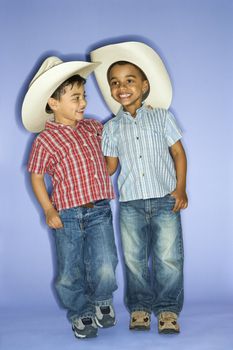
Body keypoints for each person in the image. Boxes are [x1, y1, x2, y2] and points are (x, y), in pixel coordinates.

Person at [90, 41, 188, 334]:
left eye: (129, 81)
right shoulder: (111, 128)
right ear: (110, 90)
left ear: (144, 86)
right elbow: (109, 167)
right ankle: (141, 309)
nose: (122, 87)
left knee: (168, 258)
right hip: (130, 203)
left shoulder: (162, 116)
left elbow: (179, 153)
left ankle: (168, 309)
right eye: (115, 83)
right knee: (134, 260)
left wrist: (181, 189)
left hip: (164, 199)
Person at [21, 56, 118, 339]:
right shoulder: (45, 140)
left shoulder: (94, 128)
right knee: (69, 270)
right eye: (75, 97)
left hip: (99, 209)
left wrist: (123, 131)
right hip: (67, 215)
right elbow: (36, 176)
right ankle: (80, 312)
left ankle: (101, 301)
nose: (83, 103)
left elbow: (108, 164)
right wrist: (49, 209)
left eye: (84, 96)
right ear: (53, 103)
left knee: (105, 262)